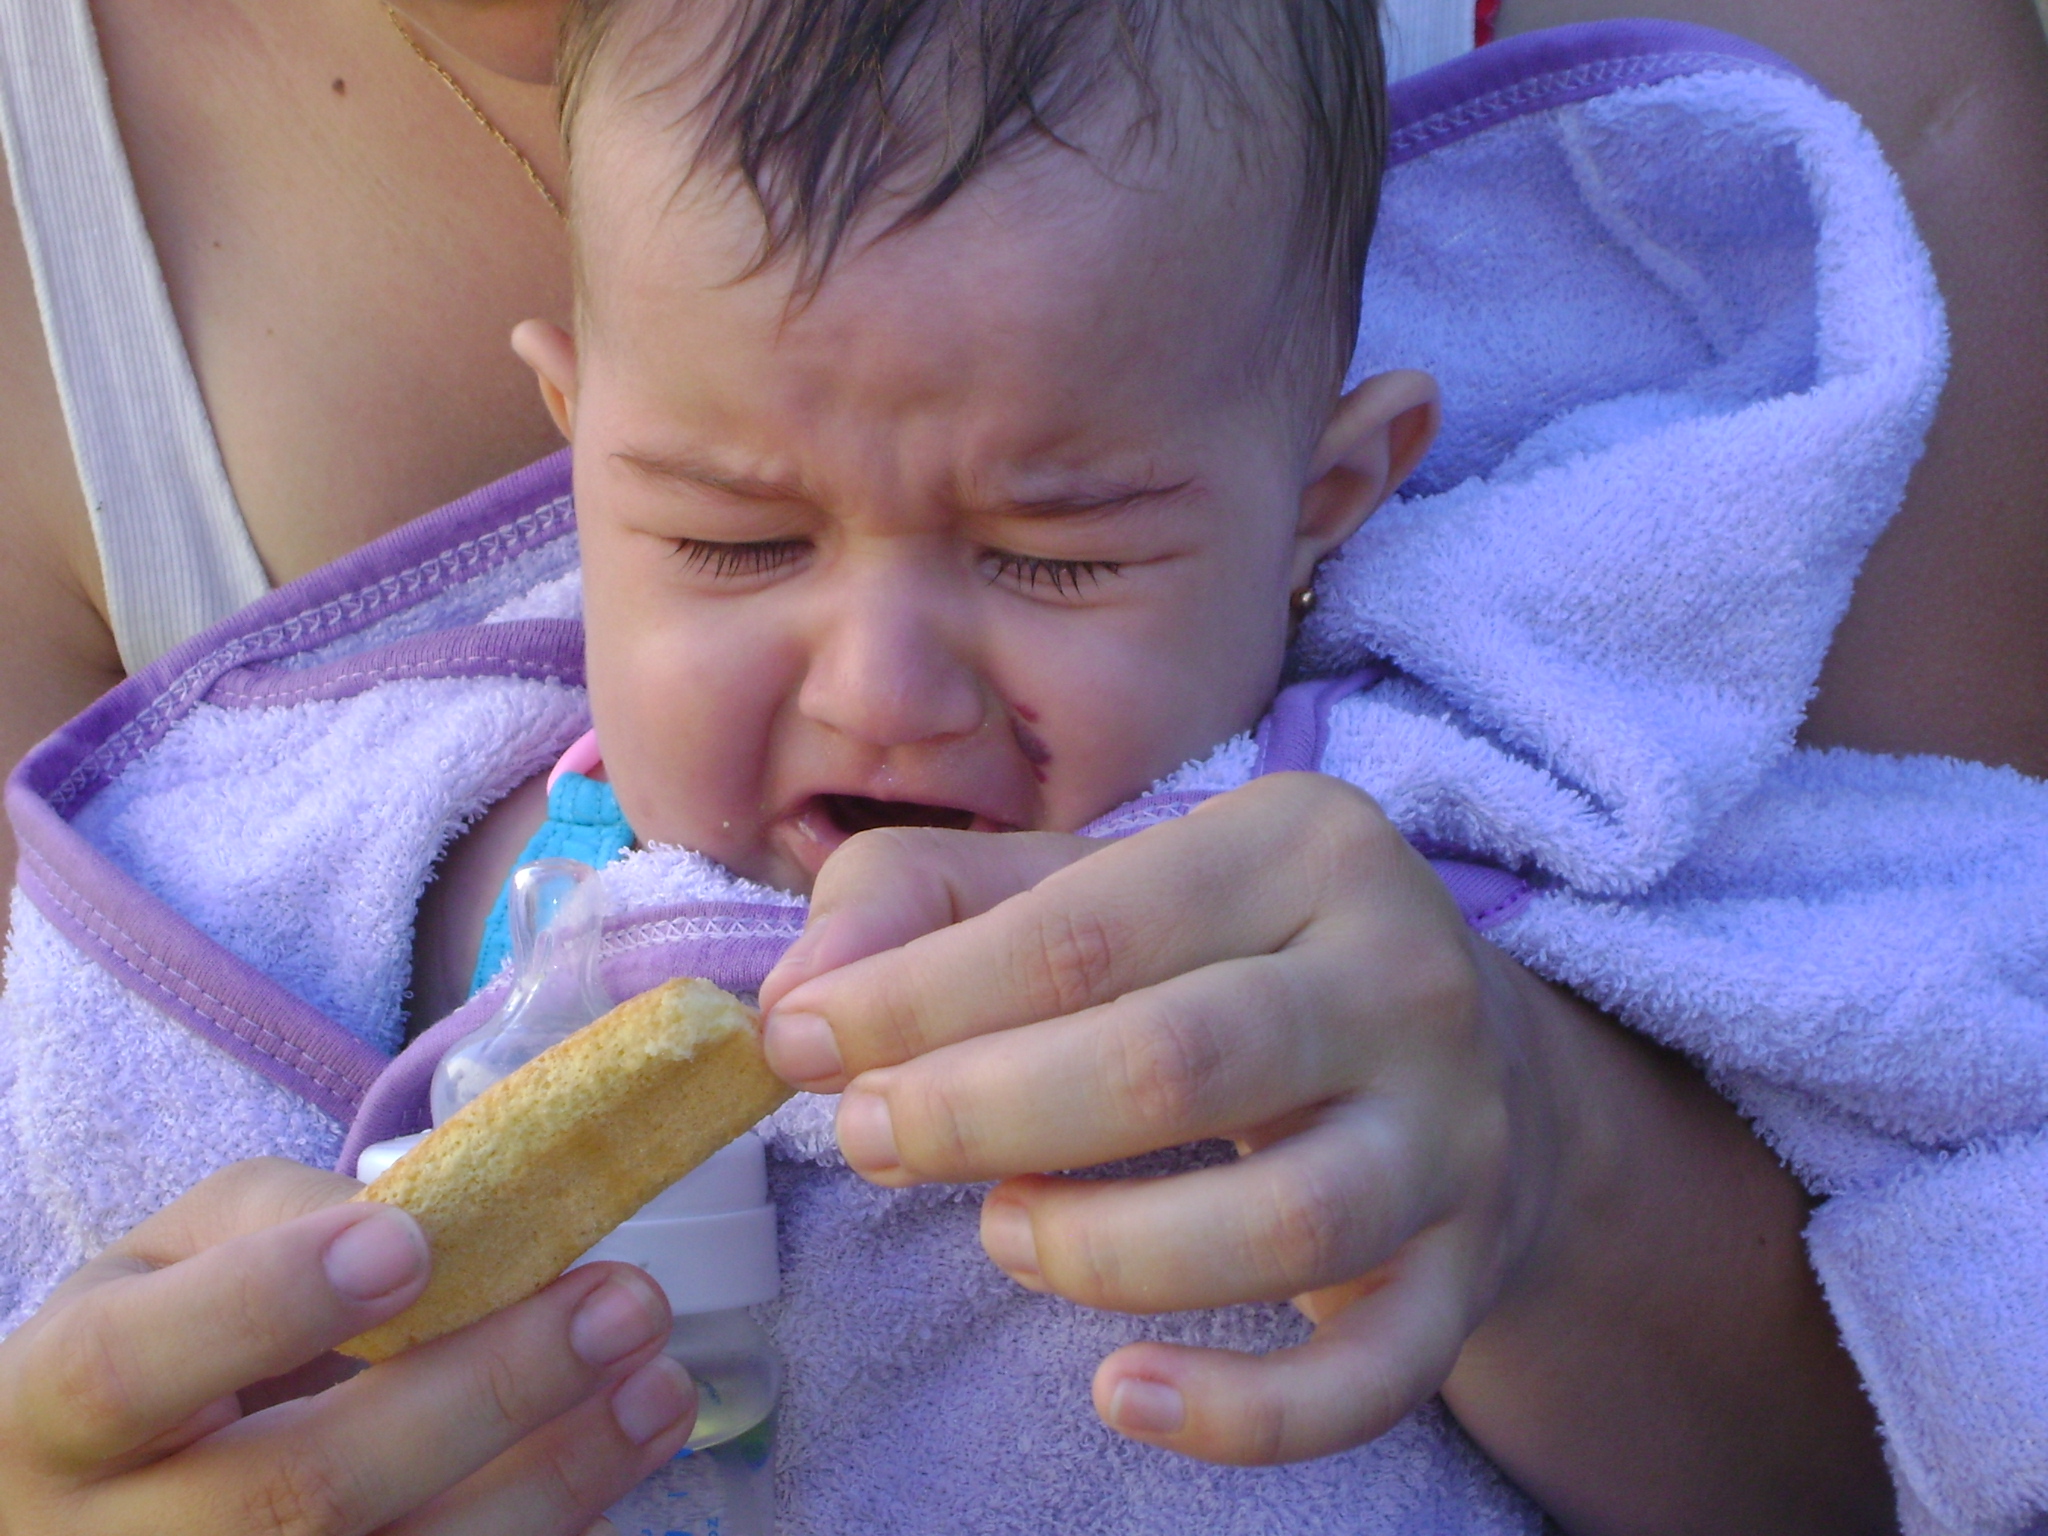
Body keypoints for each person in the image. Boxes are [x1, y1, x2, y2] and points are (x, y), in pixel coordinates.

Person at [1, 0, 1984, 1528]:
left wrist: (1543, 1161)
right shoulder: (352, 861)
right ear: (575, 443)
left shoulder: (1466, 796)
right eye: (730, 539)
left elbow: (1962, 1277)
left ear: (1332, 500)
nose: (885, 685)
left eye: (1056, 551)